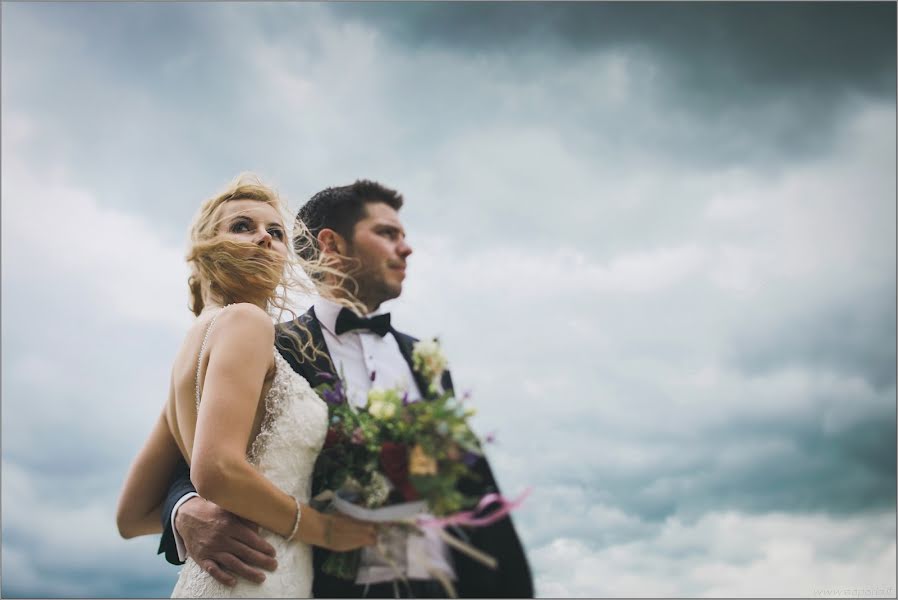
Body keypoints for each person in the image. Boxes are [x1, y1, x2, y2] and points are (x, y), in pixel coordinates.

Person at [158, 180, 535, 598]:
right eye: (387, 233)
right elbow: (192, 453)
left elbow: (472, 483)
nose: (406, 248)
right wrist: (184, 511)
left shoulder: (425, 360)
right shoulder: (269, 344)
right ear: (332, 245)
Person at [116, 175, 377, 598]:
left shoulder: (192, 356)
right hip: (258, 577)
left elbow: (132, 514)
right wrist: (325, 530)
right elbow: (216, 470)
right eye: (242, 226)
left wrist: (185, 510)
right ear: (206, 246)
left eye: (276, 233)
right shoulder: (248, 322)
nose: (265, 238)